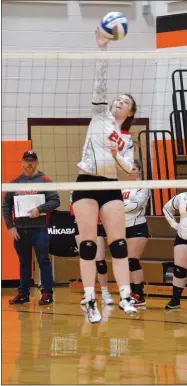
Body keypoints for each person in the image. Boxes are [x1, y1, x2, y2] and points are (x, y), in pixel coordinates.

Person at [72, 28, 137, 323]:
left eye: (125, 101)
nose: (119, 101)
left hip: (110, 186)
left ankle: (125, 295)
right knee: (87, 244)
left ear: (130, 112)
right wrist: (102, 49)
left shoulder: (127, 139)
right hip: (86, 183)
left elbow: (132, 173)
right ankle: (89, 298)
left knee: (118, 243)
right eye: (118, 98)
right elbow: (100, 84)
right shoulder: (99, 115)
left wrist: (115, 154)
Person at [3, 151, 60, 305]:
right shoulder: (14, 184)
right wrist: (10, 227)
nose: (29, 163)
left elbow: (55, 201)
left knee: (43, 261)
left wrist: (39, 209)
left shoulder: (45, 181)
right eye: (27, 160)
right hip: (20, 231)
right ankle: (23, 294)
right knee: (24, 263)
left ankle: (47, 293)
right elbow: (6, 207)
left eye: (32, 161)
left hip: (39, 229)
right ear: (21, 162)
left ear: (37, 163)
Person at [69, 194, 114, 306]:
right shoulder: (75, 190)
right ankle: (89, 294)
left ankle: (105, 293)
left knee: (100, 261)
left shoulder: (96, 188)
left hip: (95, 224)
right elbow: (72, 209)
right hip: (80, 225)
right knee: (86, 260)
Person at [122, 160, 151, 307]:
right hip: (123, 227)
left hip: (137, 226)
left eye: (133, 169)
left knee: (132, 260)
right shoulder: (121, 188)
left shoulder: (143, 186)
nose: (130, 171)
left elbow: (136, 205)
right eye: (128, 169)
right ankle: (133, 294)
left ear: (139, 170)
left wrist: (121, 206)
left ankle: (139, 295)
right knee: (126, 262)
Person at [163, 192, 187, 309]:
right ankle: (175, 300)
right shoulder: (182, 197)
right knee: (179, 269)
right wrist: (174, 224)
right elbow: (166, 208)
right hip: (182, 236)